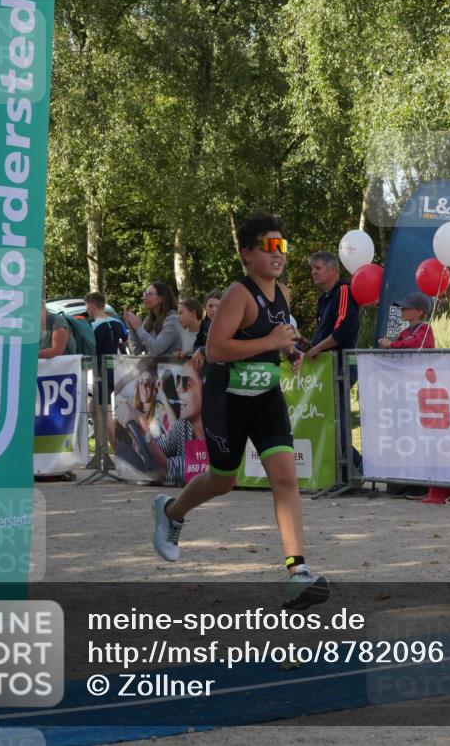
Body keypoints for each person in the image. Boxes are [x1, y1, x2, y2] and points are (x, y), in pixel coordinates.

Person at [151, 212, 328, 610]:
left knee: (285, 478)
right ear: (248, 253)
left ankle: (297, 572)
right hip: (227, 398)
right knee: (223, 479)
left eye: (282, 245)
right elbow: (215, 350)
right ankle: (172, 511)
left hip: (265, 396)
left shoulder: (282, 293)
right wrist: (269, 338)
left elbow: (276, 338)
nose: (278, 253)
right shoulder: (238, 294)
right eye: (269, 246)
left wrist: (291, 350)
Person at [379, 292, 450, 505]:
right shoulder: (405, 331)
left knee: (428, 437)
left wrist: (391, 346)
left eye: (406, 307)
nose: (402, 310)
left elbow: (417, 345)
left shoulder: (424, 330)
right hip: (409, 391)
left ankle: (433, 486)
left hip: (424, 391)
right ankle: (418, 482)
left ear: (420, 312)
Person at [306, 251, 362, 477]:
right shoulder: (324, 298)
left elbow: (344, 330)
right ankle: (346, 469)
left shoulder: (344, 291)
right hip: (327, 366)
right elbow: (323, 335)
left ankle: (358, 466)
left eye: (317, 268)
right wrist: (307, 344)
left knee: (337, 419)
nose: (313, 272)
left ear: (333, 270)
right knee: (329, 419)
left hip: (341, 366)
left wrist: (317, 348)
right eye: (312, 268)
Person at [146, 362, 206, 486]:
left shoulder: (216, 431)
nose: (178, 389)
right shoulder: (184, 424)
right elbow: (166, 445)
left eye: (186, 384)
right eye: (178, 381)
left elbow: (179, 467)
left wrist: (146, 438)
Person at [85, 292, 127, 399]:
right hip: (117, 367)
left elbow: (89, 349)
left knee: (102, 406)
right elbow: (126, 340)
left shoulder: (91, 327)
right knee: (95, 406)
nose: (86, 310)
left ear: (92, 307)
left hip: (101, 370)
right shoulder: (118, 322)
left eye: (87, 307)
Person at [125, 282, 183, 356]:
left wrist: (139, 328)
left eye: (149, 294)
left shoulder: (173, 320)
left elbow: (156, 349)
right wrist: (132, 327)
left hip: (171, 366)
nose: (144, 297)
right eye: (145, 294)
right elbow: (136, 350)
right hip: (153, 367)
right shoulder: (148, 321)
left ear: (161, 298)